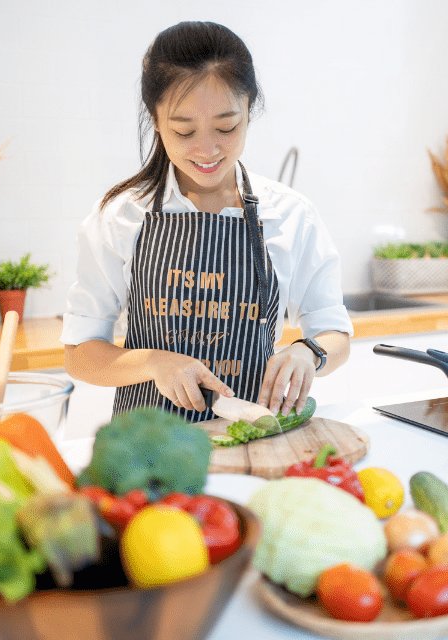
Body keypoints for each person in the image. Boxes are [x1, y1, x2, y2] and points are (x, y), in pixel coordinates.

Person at [60, 21, 352, 422]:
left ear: (250, 109)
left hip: (253, 443)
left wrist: (308, 352)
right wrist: (153, 363)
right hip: (150, 454)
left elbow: (335, 334)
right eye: (184, 131)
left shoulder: (290, 215)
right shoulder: (119, 217)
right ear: (156, 120)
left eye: (226, 127)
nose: (207, 149)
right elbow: (80, 355)